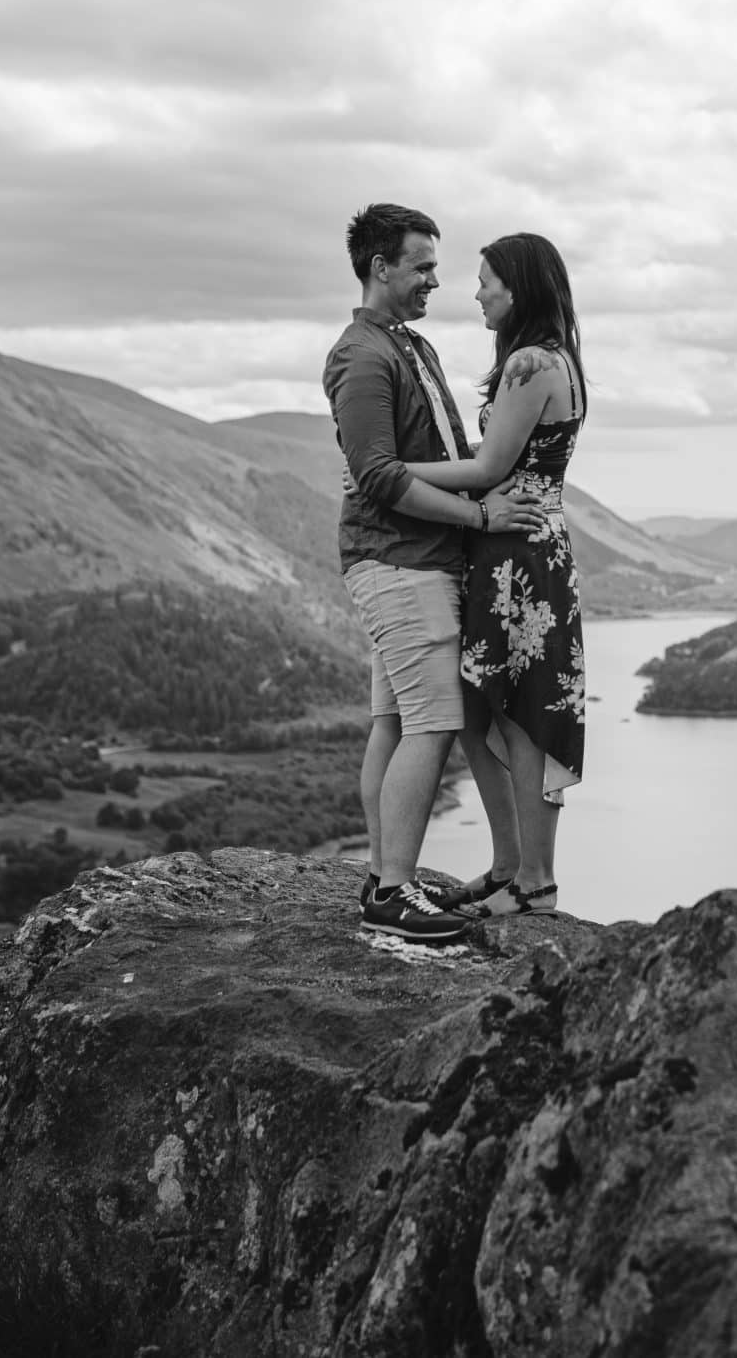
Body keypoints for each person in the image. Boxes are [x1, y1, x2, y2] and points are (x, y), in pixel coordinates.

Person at [325, 203, 536, 942]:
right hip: (399, 562)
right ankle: (391, 892)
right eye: (420, 266)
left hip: (411, 561)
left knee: (390, 720)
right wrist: (480, 518)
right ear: (380, 266)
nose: (433, 282)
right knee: (436, 721)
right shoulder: (362, 356)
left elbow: (413, 457)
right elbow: (378, 476)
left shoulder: (407, 346)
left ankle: (384, 874)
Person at [394, 233, 586, 918]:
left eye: (486, 282)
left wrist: (389, 471)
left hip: (519, 561)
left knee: (523, 715)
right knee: (480, 708)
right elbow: (493, 462)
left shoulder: (531, 362)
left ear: (520, 288)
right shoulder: (548, 358)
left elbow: (484, 470)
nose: (475, 293)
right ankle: (511, 867)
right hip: (516, 550)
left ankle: (533, 883)